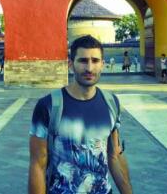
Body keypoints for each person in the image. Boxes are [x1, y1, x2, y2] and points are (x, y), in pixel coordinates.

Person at [28, 35, 132, 194]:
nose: (89, 68)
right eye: (83, 61)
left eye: (95, 61)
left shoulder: (112, 103)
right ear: (71, 64)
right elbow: (38, 164)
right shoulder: (48, 105)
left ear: (103, 64)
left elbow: (114, 156)